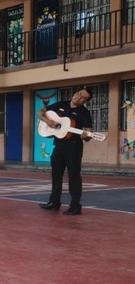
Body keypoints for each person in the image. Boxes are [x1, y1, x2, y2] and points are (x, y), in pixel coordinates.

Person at [37, 87, 95, 215]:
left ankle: (75, 206)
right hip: (58, 146)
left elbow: (88, 132)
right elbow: (40, 111)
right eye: (79, 94)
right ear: (75, 93)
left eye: (83, 98)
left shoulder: (84, 113)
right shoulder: (61, 104)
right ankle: (54, 202)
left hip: (73, 147)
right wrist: (48, 121)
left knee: (74, 177)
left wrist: (87, 136)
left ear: (85, 101)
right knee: (56, 175)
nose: (79, 98)